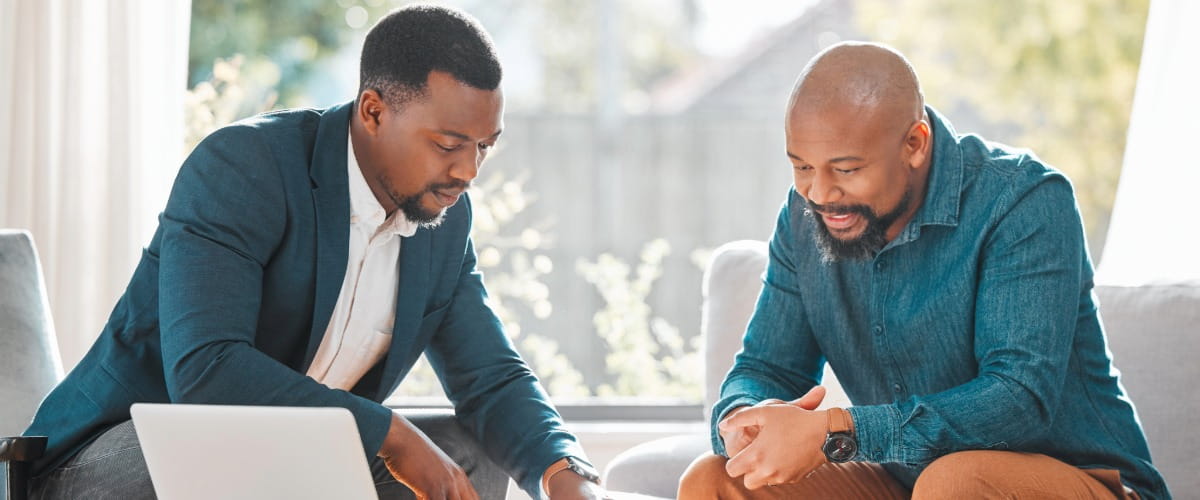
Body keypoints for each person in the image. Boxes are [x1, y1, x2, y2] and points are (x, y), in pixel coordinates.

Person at [23, 5, 608, 500]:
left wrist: (568, 475)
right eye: (449, 145)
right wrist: (392, 434)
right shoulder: (242, 167)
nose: (468, 171)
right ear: (374, 111)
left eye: (485, 147)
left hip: (289, 461)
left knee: (466, 453)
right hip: (113, 453)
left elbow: (492, 377)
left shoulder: (444, 223)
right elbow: (208, 371)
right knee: (217, 461)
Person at [678, 42, 1170, 499]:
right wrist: (743, 419)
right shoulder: (805, 215)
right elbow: (767, 368)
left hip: (1080, 477)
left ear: (914, 143)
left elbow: (1018, 400)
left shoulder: (1024, 200)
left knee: (954, 481)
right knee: (716, 481)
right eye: (802, 167)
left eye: (846, 170)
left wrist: (836, 431)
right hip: (908, 481)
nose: (821, 194)